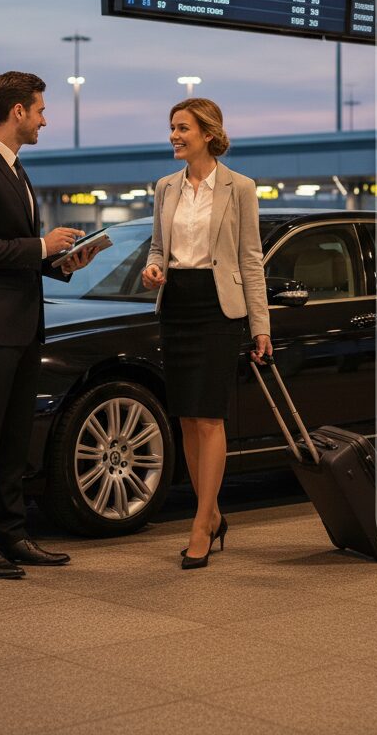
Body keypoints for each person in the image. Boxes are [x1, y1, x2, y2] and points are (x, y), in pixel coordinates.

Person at [0, 71, 100, 579]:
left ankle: (12, 536)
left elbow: (11, 250)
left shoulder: (15, 170)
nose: (44, 119)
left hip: (21, 324)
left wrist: (59, 263)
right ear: (17, 112)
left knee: (14, 439)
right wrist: (41, 246)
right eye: (39, 110)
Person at [141, 98, 272, 569]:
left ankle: (200, 524)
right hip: (176, 304)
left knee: (210, 417)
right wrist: (152, 269)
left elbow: (251, 261)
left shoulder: (240, 188)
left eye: (182, 128)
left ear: (208, 133)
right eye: (172, 128)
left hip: (219, 310)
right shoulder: (165, 187)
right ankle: (212, 513)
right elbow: (158, 247)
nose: (174, 136)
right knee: (186, 418)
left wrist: (261, 326)